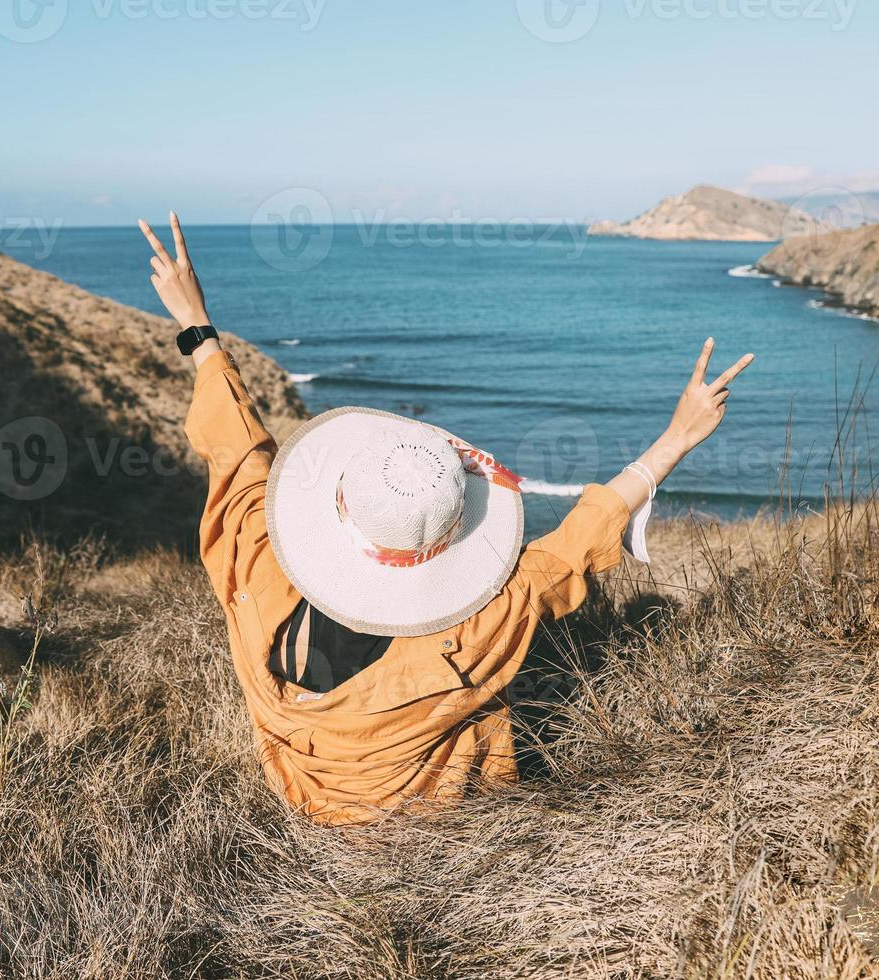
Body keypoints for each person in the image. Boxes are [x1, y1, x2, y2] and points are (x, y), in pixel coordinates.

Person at [140, 212, 753, 825]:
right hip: (419, 818)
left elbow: (239, 453)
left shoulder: (255, 558)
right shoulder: (477, 626)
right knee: (492, 696)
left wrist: (198, 328)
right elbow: (575, 545)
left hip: (296, 783)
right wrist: (676, 438)